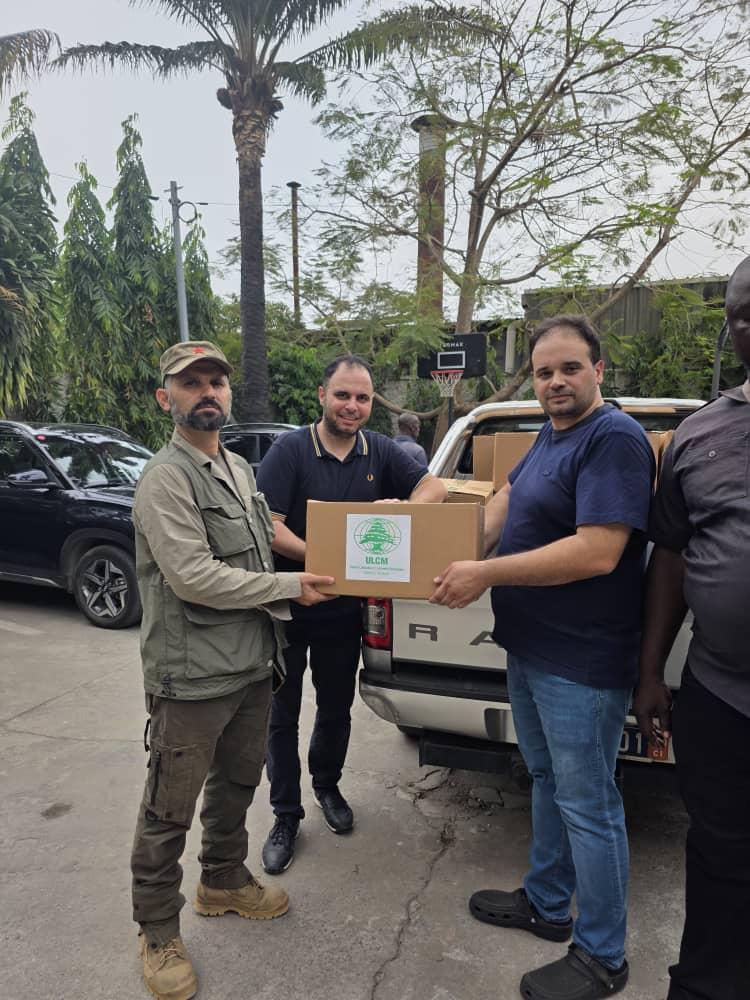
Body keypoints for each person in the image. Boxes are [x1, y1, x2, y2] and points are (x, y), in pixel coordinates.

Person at [431, 315, 655, 1000]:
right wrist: (423, 537)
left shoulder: (613, 437)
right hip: (530, 647)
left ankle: (604, 956)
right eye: (543, 371)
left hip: (581, 661)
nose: (556, 381)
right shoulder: (548, 437)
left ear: (598, 370)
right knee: (547, 779)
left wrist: (485, 573)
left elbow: (598, 551)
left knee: (589, 803)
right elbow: (502, 504)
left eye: (570, 368)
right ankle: (549, 903)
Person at [130, 340, 333, 1000]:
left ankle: (221, 879)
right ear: (166, 398)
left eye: (216, 380)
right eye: (191, 383)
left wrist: (330, 558)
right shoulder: (165, 479)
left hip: (251, 663)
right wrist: (289, 586)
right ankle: (158, 931)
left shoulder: (240, 468)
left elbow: (261, 541)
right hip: (191, 676)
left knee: (239, 782)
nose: (207, 391)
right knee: (169, 807)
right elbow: (193, 577)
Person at [256, 353, 447, 874]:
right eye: (343, 395)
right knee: (281, 716)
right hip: (289, 605)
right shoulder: (290, 450)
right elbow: (269, 526)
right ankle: (285, 814)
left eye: (362, 397)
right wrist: (323, 562)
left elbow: (435, 487)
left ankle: (327, 786)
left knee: (336, 709)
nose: (352, 406)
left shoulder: (380, 450)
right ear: (322, 395)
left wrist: (406, 511)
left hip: (344, 613)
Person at [634, 257, 750, 1000]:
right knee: (718, 858)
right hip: (721, 696)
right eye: (744, 313)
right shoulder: (699, 435)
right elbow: (670, 559)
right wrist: (650, 673)